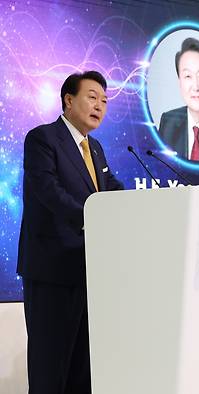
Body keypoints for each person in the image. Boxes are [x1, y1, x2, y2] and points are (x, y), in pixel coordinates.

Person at [18, 71, 124, 393]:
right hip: (52, 270)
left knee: (83, 370)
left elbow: (110, 189)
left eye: (104, 101)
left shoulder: (96, 149)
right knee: (51, 368)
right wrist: (93, 217)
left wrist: (143, 205)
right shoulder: (42, 138)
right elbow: (48, 191)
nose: (100, 106)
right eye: (92, 97)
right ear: (69, 99)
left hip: (88, 270)